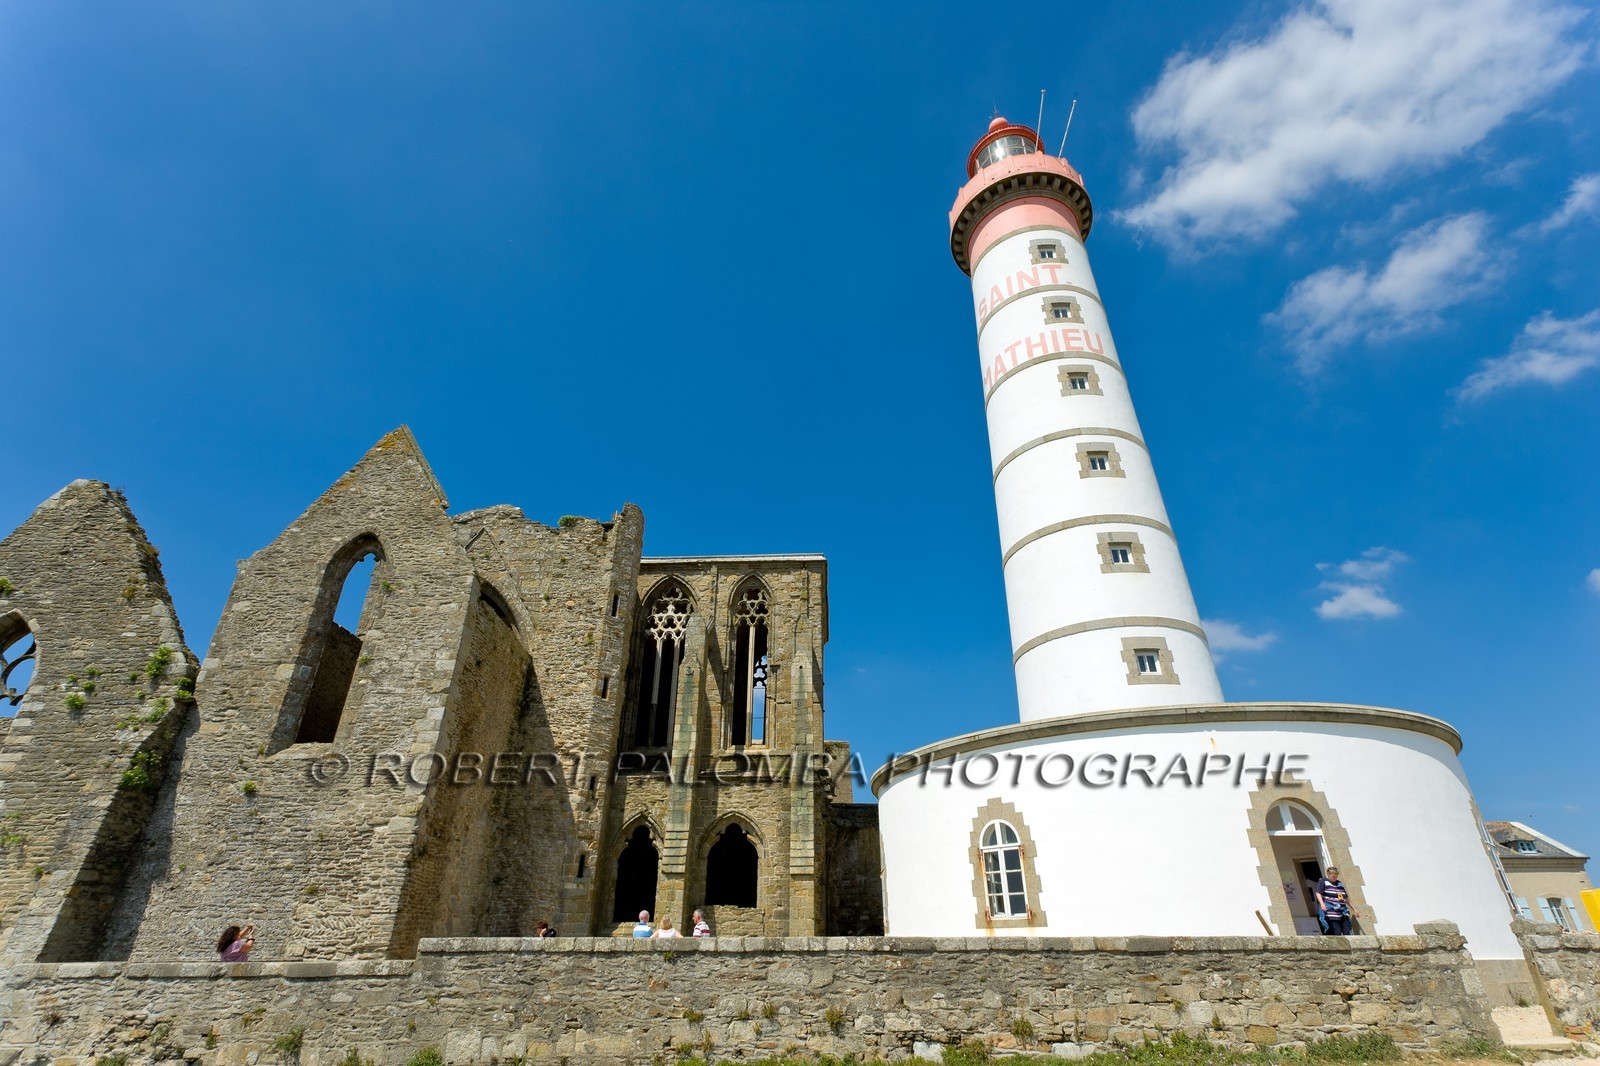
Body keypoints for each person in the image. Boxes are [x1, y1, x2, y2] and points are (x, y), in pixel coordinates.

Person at [1314, 867, 1357, 935]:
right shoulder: (1323, 881)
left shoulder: (1339, 883)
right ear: (1328, 875)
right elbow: (1318, 892)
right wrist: (1322, 904)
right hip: (1331, 912)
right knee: (1336, 932)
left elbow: (1345, 898)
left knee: (1347, 931)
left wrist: (1354, 909)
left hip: (1342, 912)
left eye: (1336, 876)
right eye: (1333, 876)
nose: (1335, 878)